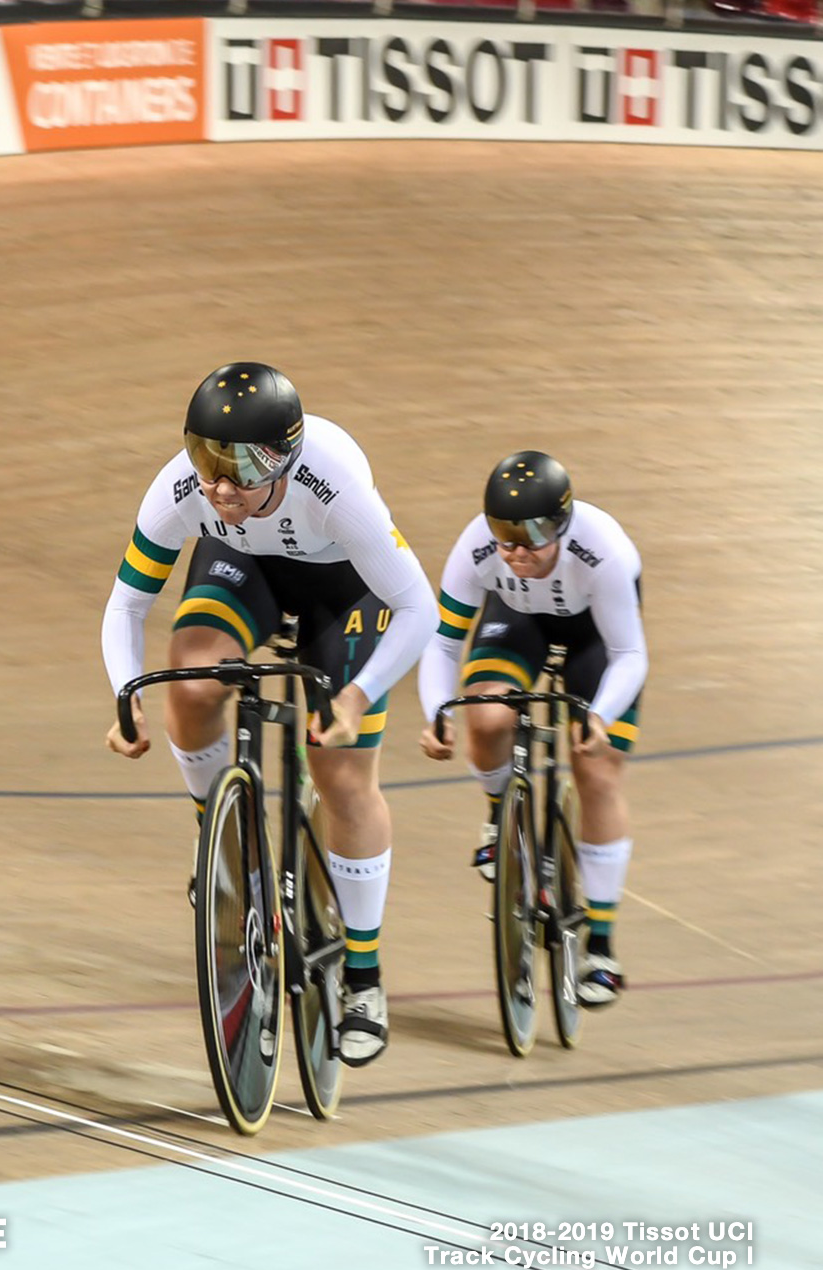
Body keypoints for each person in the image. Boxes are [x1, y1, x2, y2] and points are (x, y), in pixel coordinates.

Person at [103, 362, 432, 1066]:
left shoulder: (336, 487)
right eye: (207, 462)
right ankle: (217, 842)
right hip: (241, 567)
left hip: (342, 592)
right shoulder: (181, 490)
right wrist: (125, 694)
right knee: (189, 689)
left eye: (241, 469)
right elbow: (127, 602)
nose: (219, 487)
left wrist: (355, 696)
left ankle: (364, 978)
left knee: (341, 774)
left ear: (284, 457)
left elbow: (419, 608)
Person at [417, 451, 645, 1007]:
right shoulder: (476, 549)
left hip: (596, 635)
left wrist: (599, 717)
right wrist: (437, 713)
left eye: (532, 537)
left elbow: (629, 652)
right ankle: (500, 818)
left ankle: (603, 945)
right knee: (488, 715)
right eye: (505, 537)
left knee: (596, 768)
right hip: (516, 619)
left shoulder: (605, 553)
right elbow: (442, 641)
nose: (516, 551)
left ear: (563, 526)